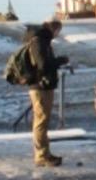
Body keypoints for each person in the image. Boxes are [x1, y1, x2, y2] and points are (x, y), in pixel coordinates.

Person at [25, 19, 71, 167]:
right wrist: (60, 61)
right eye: (58, 31)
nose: (58, 35)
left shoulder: (42, 40)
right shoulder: (39, 42)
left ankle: (45, 152)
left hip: (43, 86)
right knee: (41, 121)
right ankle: (41, 155)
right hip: (40, 87)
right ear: (54, 29)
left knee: (42, 121)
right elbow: (43, 65)